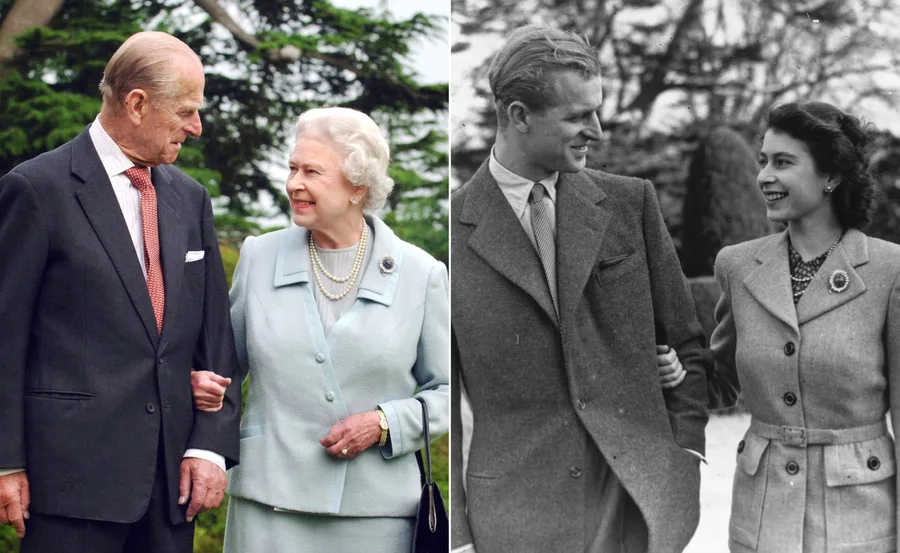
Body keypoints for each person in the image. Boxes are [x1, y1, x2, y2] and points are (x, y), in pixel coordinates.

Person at [450, 24, 710, 553]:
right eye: (576, 116)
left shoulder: (630, 203)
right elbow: (447, 396)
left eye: (596, 110)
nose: (596, 129)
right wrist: (458, 532)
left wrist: (684, 455)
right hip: (515, 519)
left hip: (635, 505)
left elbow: (687, 345)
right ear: (518, 115)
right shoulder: (453, 228)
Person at [0, 32, 241, 553]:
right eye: (187, 111)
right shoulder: (36, 189)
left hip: (172, 486)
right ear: (136, 103)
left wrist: (211, 446)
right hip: (69, 485)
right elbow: (4, 339)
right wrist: (6, 461)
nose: (196, 128)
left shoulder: (190, 198)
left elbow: (215, 339)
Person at [191, 106, 449, 553]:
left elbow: (449, 391)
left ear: (357, 186)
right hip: (268, 506)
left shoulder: (420, 273)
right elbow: (221, 367)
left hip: (378, 514)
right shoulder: (259, 256)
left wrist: (384, 422)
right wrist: (197, 381)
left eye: (312, 171)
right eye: (292, 168)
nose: (294, 183)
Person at [689, 101, 899, 553]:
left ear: (832, 175)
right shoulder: (738, 265)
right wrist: (674, 369)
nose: (764, 175)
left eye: (782, 162)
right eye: (763, 160)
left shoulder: (890, 270)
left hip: (860, 521)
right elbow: (722, 383)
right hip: (761, 519)